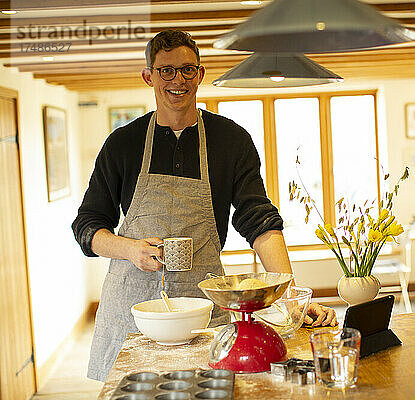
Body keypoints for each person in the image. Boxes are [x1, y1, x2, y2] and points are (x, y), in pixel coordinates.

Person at [72, 30, 337, 382]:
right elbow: (87, 227)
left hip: (204, 313)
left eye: (187, 69)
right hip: (134, 316)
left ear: (200, 73)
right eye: (166, 70)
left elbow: (258, 220)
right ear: (149, 76)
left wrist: (291, 295)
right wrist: (131, 249)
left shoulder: (231, 140)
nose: (177, 80)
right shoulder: (123, 143)